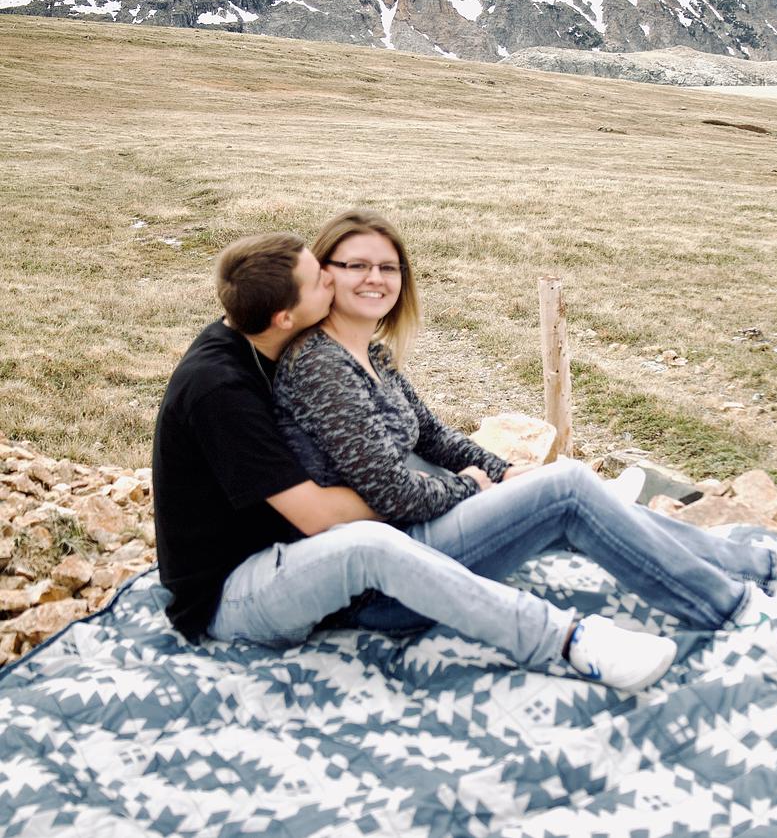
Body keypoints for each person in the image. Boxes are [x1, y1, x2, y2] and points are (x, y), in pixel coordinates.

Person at [272, 209, 777, 652]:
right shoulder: (321, 364)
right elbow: (391, 494)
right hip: (380, 584)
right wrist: (472, 488)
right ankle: (741, 613)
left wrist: (502, 472)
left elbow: (434, 437)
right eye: (356, 265)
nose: (375, 278)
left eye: (388, 267)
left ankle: (766, 570)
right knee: (566, 490)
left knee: (565, 486)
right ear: (323, 273)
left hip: (413, 544)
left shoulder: (369, 353)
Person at [152, 232, 689, 693]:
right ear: (284, 316)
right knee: (369, 540)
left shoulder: (262, 336)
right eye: (320, 279)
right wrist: (453, 488)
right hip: (232, 594)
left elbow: (420, 437)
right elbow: (318, 517)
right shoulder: (219, 389)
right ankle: (570, 641)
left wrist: (489, 477)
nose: (334, 280)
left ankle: (569, 506)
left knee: (403, 462)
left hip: (290, 553)